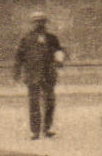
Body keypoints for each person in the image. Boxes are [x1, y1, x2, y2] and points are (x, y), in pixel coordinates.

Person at [13, 11, 64, 139]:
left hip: (48, 74)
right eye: (36, 22)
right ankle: (35, 131)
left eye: (42, 21)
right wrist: (17, 73)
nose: (39, 24)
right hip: (32, 74)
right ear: (32, 24)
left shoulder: (52, 38)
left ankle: (47, 128)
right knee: (34, 103)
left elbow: (59, 51)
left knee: (50, 102)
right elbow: (19, 57)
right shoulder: (26, 39)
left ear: (45, 23)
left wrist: (59, 60)